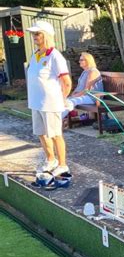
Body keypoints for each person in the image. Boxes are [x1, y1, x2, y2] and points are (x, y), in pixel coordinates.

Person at [25, 20, 72, 176]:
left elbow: (66, 82)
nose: (34, 37)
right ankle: (51, 160)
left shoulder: (55, 56)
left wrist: (62, 99)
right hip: (35, 102)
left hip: (50, 103)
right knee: (41, 133)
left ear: (46, 35)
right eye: (33, 34)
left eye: (37, 34)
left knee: (55, 134)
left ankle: (63, 164)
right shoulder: (35, 55)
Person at [62, 52, 103, 118]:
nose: (79, 61)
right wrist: (73, 94)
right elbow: (79, 87)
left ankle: (57, 122)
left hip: (93, 97)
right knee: (63, 101)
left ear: (88, 61)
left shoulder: (93, 72)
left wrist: (75, 96)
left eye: (81, 60)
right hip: (85, 96)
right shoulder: (85, 72)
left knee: (70, 102)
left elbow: (86, 90)